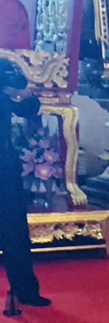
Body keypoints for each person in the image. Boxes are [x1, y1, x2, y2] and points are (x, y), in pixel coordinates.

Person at [0, 61, 48, 308]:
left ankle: (25, 289)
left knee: (14, 228)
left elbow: (30, 108)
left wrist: (25, 94)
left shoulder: (3, 67)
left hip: (3, 162)